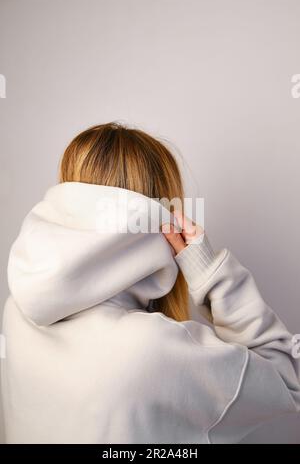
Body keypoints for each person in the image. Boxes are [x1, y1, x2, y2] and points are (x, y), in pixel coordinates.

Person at [2, 122, 299, 444]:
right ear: (163, 220)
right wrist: (208, 271)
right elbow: (286, 384)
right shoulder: (155, 349)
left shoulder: (16, 315)